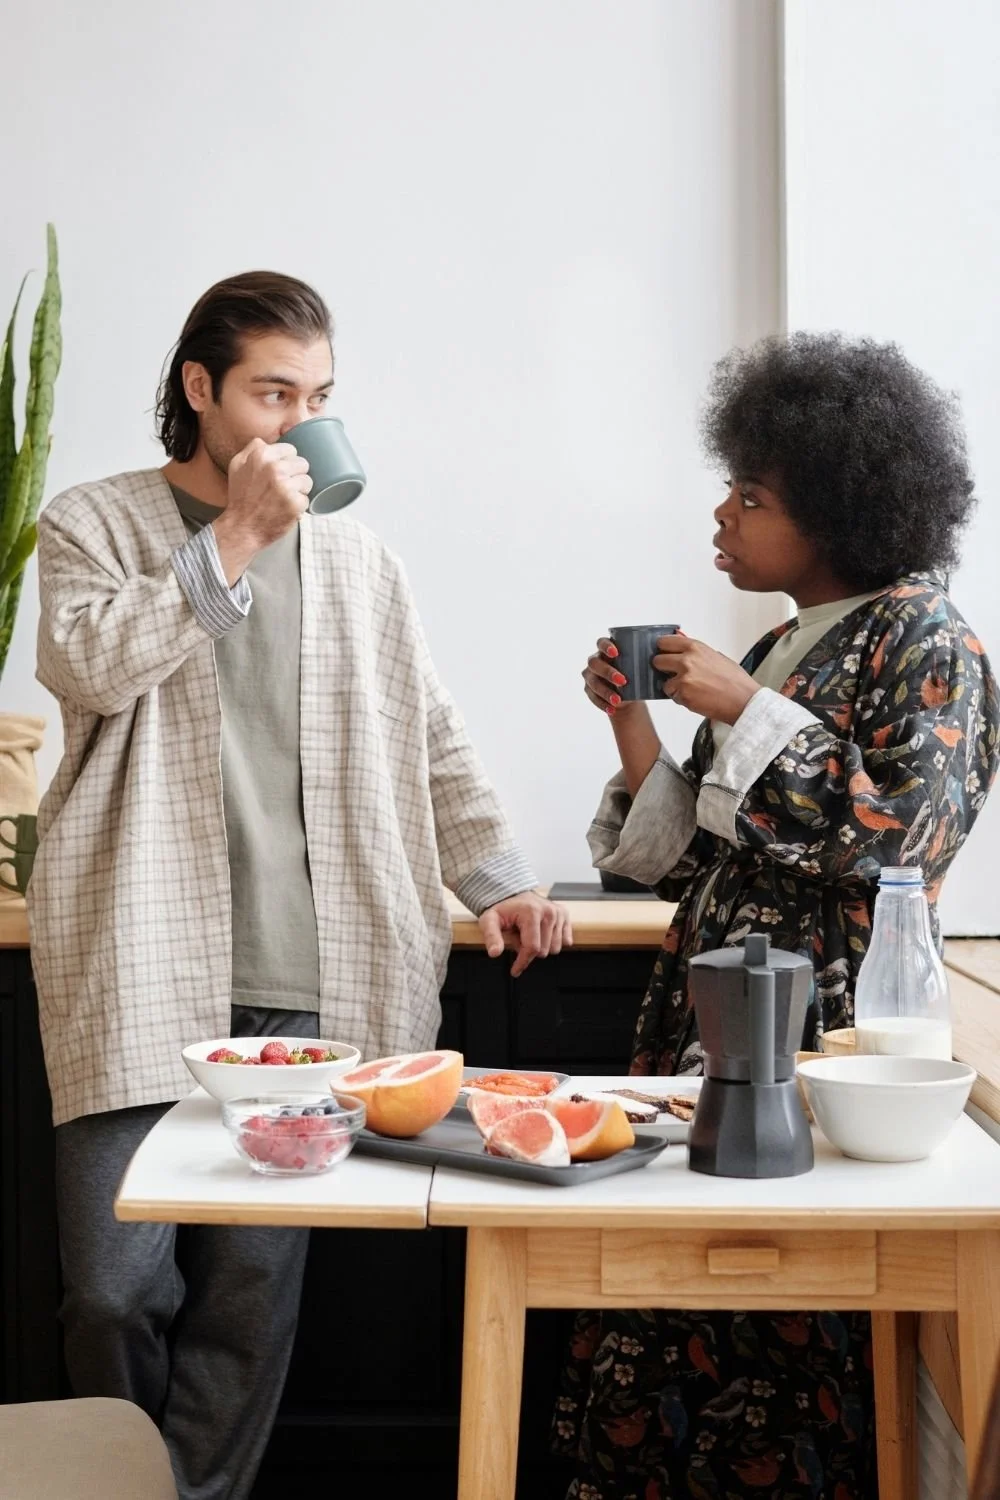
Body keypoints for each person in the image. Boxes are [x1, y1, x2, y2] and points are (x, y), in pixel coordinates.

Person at [28, 270, 570, 1500]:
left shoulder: (361, 562)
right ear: (200, 388)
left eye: (318, 397)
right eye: (274, 393)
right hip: (138, 965)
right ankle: (117, 1484)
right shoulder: (93, 522)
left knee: (251, 1297)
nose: (296, 421)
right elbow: (91, 664)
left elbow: (431, 734)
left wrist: (499, 880)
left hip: (312, 987)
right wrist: (237, 537)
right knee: (111, 1289)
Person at [557, 332, 999, 1498]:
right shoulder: (778, 640)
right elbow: (692, 853)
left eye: (750, 497)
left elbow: (902, 835)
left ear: (840, 507)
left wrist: (745, 705)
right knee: (669, 1293)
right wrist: (636, 726)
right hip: (713, 1016)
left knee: (782, 1307)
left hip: (822, 1028)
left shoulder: (925, 639)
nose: (722, 515)